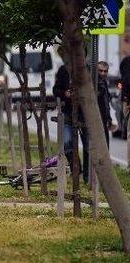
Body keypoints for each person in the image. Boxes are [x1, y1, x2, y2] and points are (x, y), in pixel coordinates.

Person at [53, 48, 89, 183]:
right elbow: (56, 89)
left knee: (88, 146)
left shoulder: (88, 71)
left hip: (85, 114)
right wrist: (65, 94)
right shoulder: (63, 70)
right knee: (67, 143)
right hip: (68, 112)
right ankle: (76, 168)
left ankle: (87, 176)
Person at [96, 61, 114, 147]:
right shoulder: (95, 83)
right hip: (96, 121)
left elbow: (106, 103)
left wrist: (109, 118)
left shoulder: (104, 83)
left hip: (104, 120)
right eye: (100, 70)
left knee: (106, 146)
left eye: (105, 71)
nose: (103, 73)